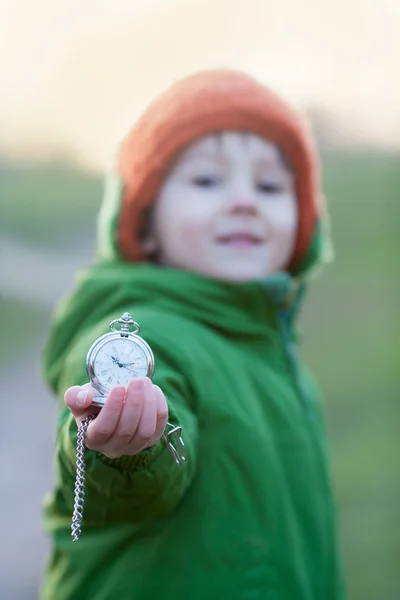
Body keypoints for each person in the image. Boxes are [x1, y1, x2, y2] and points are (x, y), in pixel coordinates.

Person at [42, 69, 344, 600]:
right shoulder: (146, 335)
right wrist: (128, 449)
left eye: (270, 185)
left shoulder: (274, 353)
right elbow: (130, 484)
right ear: (146, 225)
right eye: (207, 180)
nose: (244, 200)